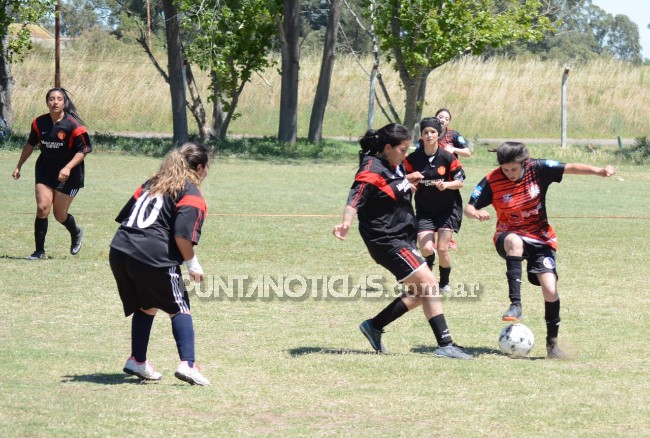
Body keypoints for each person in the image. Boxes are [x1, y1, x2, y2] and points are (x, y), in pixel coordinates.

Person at [464, 141, 616, 359]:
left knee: (550, 289)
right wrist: (475, 213)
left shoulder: (538, 169)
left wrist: (599, 171)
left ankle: (552, 346)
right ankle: (515, 305)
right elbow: (469, 206)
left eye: (514, 169)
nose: (509, 174)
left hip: (540, 238)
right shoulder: (492, 179)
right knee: (515, 242)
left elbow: (570, 167)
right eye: (505, 170)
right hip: (507, 235)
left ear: (524, 163)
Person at [333, 123, 471, 360]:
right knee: (430, 284)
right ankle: (445, 344)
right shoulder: (371, 169)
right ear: (388, 147)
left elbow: (388, 190)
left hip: (401, 236)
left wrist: (407, 181)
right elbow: (354, 198)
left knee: (420, 293)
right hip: (387, 239)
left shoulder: (392, 165)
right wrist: (346, 223)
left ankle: (374, 326)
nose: (406, 155)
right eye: (402, 150)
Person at [109, 142, 212, 385]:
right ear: (199, 168)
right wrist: (192, 264)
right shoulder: (190, 192)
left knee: (147, 304)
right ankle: (188, 364)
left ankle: (137, 360)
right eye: (207, 168)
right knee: (179, 307)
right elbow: (182, 236)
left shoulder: (151, 182)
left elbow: (128, 216)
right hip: (152, 254)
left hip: (120, 249)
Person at [12, 87, 91, 259]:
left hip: (70, 175)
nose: (55, 102)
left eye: (59, 99)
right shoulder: (38, 123)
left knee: (59, 214)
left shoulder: (74, 126)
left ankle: (76, 232)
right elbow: (30, 144)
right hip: (45, 170)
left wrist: (68, 167)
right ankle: (39, 251)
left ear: (64, 102)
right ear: (47, 102)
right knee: (42, 208)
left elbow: (84, 149)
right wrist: (19, 165)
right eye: (51, 99)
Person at [404, 117, 465, 294]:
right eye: (426, 132)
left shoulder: (447, 157)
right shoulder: (413, 159)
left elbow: (460, 182)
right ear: (421, 136)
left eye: (433, 132)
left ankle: (444, 282)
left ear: (438, 135)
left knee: (442, 248)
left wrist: (447, 185)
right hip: (425, 210)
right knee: (425, 248)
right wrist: (411, 186)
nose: (429, 135)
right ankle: (428, 276)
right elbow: (406, 181)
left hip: (448, 210)